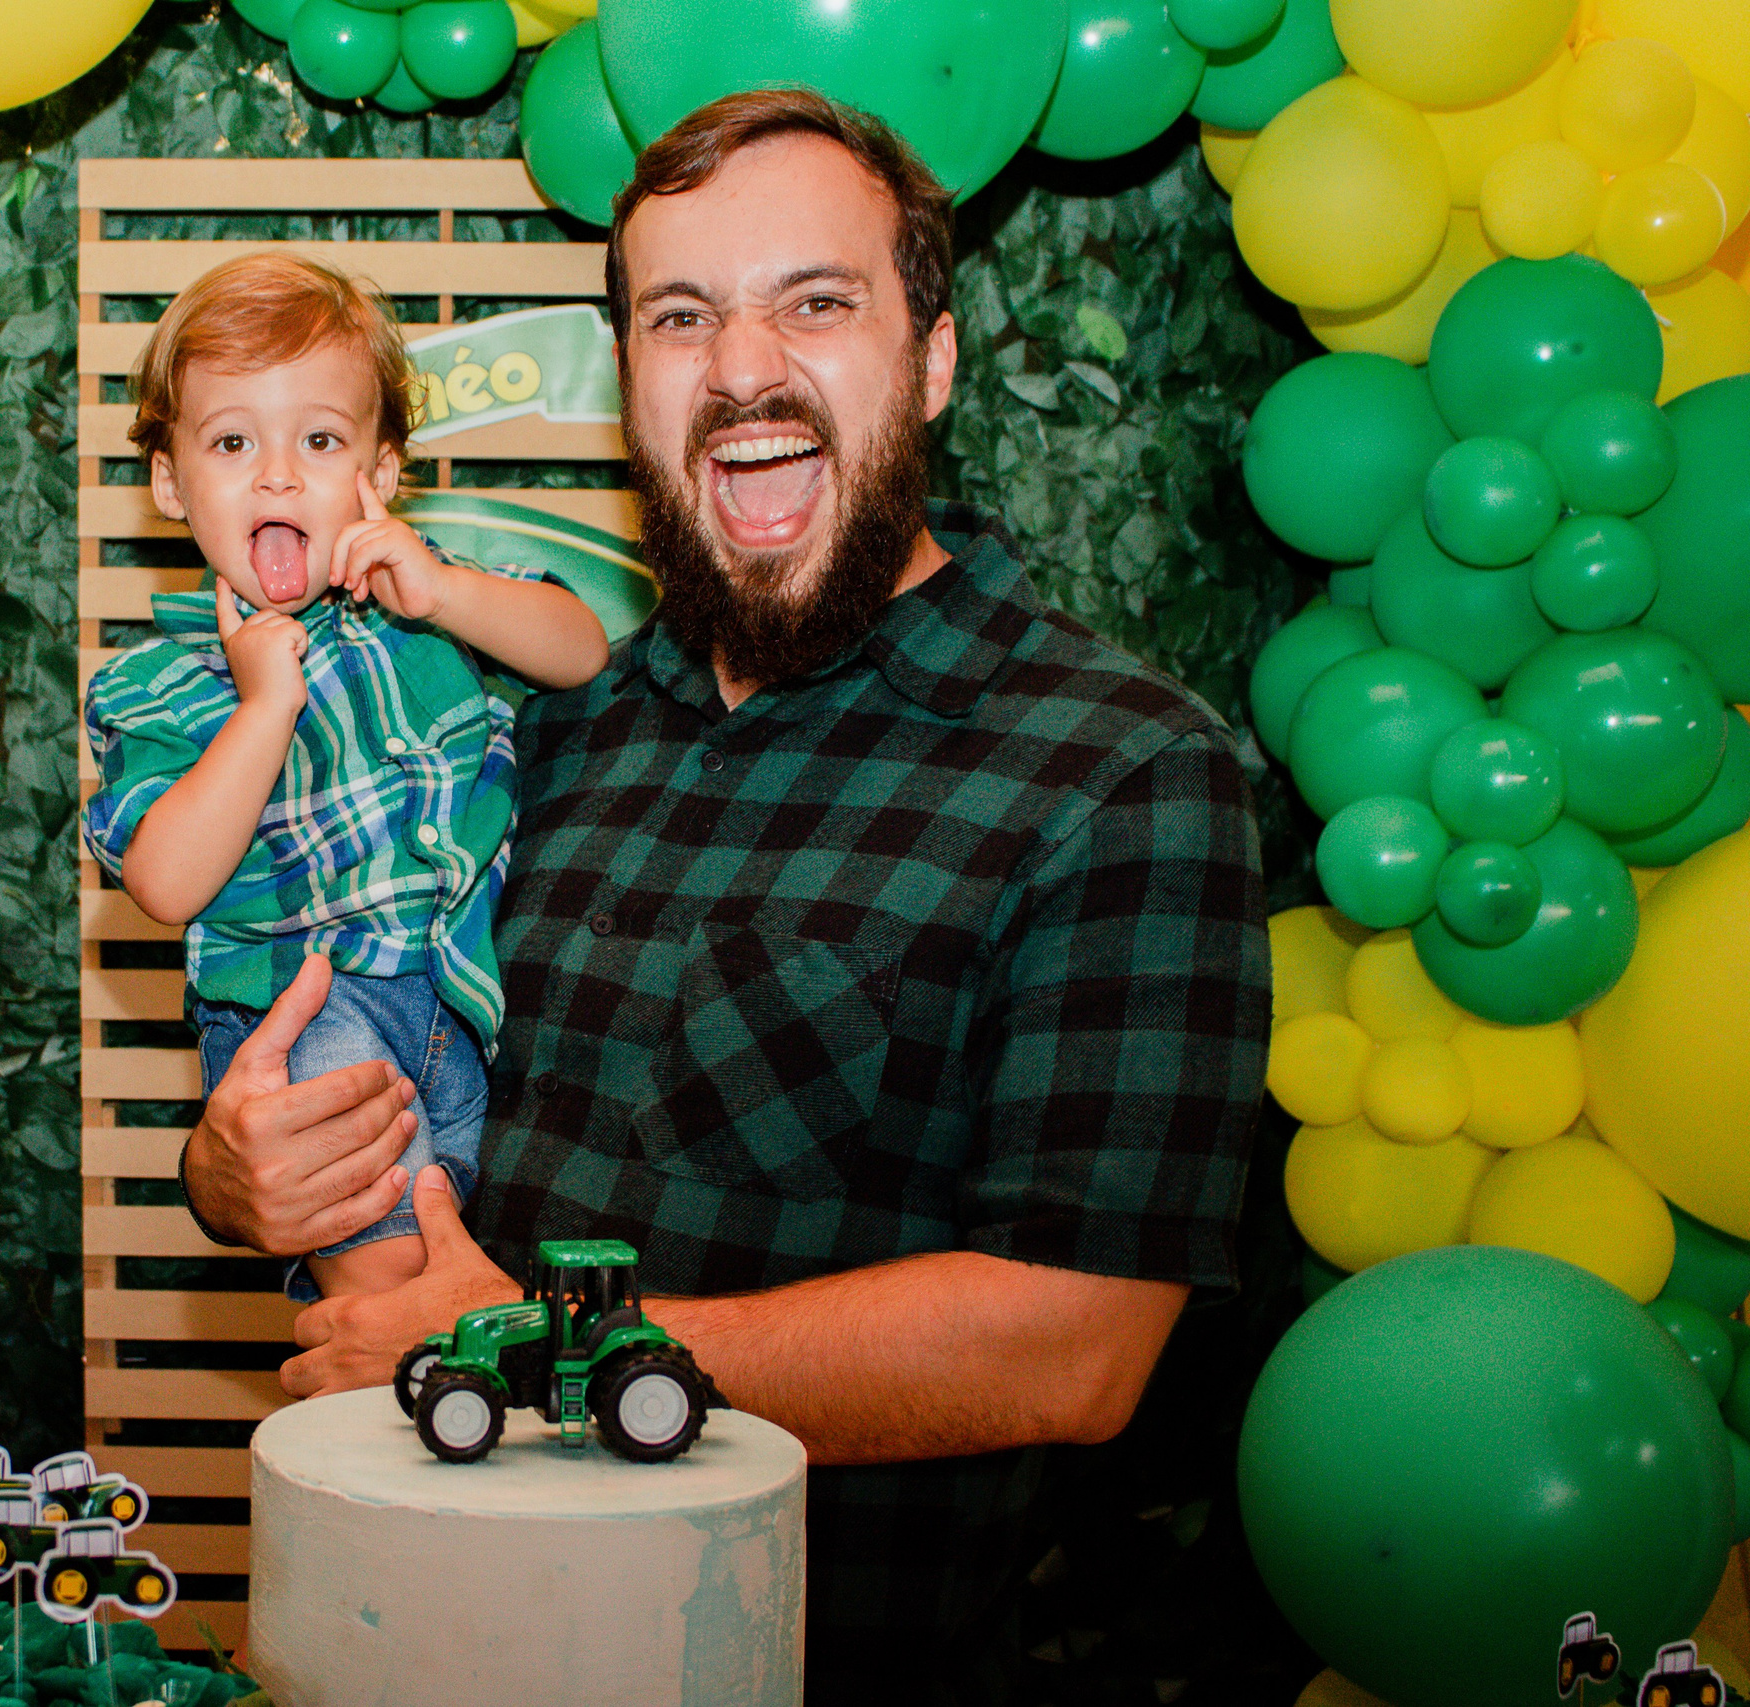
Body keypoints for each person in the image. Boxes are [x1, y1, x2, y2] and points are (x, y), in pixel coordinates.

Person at [177, 92, 1272, 1678]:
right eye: (681, 318)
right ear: (632, 376)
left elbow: (1076, 1338)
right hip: (459, 1639)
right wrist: (239, 1174)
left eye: (817, 303)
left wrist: (552, 1358)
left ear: (935, 359)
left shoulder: (1119, 770)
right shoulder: (545, 732)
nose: (745, 367)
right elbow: (384, 1112)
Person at [84, 252, 608, 1300]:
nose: (278, 474)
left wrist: (447, 592)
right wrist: (264, 707)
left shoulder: (425, 608)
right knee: (390, 1295)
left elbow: (579, 649)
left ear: (382, 469)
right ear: (168, 479)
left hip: (464, 1010)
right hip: (310, 1014)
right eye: (232, 441)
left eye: (319, 440)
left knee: (477, 1282)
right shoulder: (157, 685)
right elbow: (166, 882)